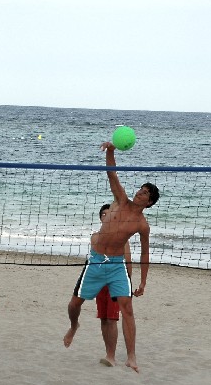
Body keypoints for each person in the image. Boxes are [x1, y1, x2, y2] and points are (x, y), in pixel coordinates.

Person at [63, 141, 160, 372]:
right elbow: (111, 173)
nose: (140, 193)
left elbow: (145, 254)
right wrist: (111, 150)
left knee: (127, 309)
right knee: (74, 303)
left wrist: (143, 281)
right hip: (96, 261)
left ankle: (132, 357)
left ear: (150, 203)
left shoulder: (142, 225)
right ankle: (74, 326)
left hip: (117, 266)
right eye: (141, 189)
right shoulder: (119, 200)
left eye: (145, 193)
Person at [95, 203, 133, 367]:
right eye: (103, 215)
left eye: (108, 214)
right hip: (99, 282)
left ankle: (112, 356)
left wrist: (128, 283)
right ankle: (108, 352)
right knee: (103, 319)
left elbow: (128, 261)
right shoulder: (96, 236)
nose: (106, 217)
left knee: (112, 319)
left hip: (115, 282)